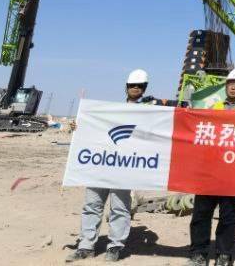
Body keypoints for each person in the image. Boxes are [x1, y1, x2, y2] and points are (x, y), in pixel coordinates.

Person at [67, 68, 163, 262]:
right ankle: (86, 245)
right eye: (132, 85)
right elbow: (95, 129)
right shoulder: (112, 112)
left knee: (120, 207)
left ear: (144, 88)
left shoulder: (149, 112)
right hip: (101, 164)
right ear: (126, 87)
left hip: (125, 167)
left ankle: (115, 246)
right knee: (92, 204)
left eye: (139, 86)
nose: (135, 88)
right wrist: (79, 126)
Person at [189, 68, 235, 266]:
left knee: (228, 216)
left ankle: (224, 255)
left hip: (233, 173)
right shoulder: (214, 107)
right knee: (201, 214)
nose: (233, 86)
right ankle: (198, 253)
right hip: (210, 170)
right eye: (229, 83)